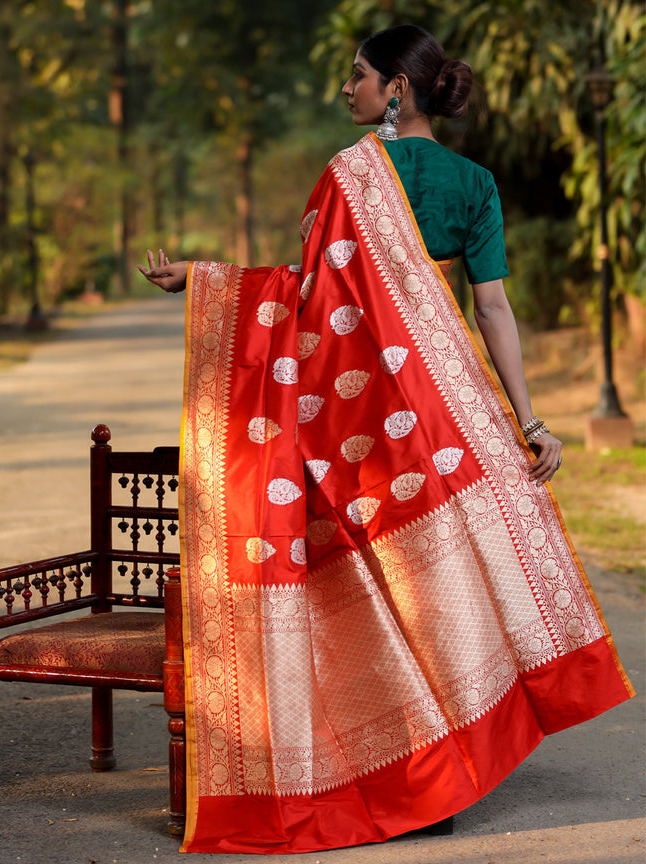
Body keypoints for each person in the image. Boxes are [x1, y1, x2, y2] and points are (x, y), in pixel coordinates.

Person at [139, 25, 633, 856]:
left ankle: (409, 771)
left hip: (357, 425)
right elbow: (493, 309)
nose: (347, 89)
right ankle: (453, 772)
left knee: (377, 596)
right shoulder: (473, 182)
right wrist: (528, 421)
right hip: (443, 424)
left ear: (396, 89)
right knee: (447, 595)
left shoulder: (349, 176)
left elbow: (305, 297)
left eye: (359, 75)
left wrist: (204, 280)